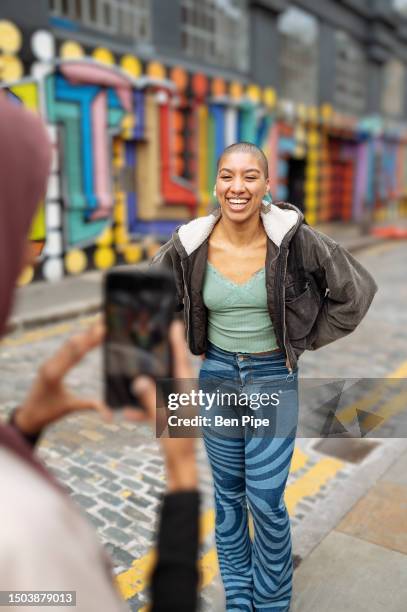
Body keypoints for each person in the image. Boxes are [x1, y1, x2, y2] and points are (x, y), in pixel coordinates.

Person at [152, 141, 378, 611]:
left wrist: (302, 340)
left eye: (250, 176)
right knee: (229, 497)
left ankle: (272, 601)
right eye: (228, 176)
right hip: (215, 375)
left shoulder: (294, 239)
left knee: (266, 501)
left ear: (267, 185)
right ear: (215, 184)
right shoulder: (190, 242)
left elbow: (355, 294)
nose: (238, 187)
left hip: (272, 377)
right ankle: (239, 595)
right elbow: (142, 305)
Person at [0, 94, 199, 612]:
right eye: (19, 226)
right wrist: (181, 480)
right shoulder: (23, 537)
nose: (26, 250)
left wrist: (20, 432)